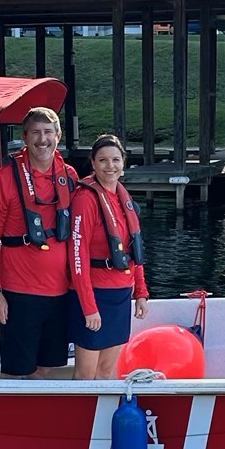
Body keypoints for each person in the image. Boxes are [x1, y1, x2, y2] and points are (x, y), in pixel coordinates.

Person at [0, 107, 79, 378]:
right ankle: (9, 419)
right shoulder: (4, 179)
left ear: (58, 135)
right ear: (24, 137)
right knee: (15, 372)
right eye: (35, 132)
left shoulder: (69, 175)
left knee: (48, 367)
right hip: (19, 293)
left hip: (60, 293)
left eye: (48, 132)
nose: (42, 139)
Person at [68, 134, 149, 379]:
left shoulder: (123, 199)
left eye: (115, 160)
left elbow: (133, 250)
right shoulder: (85, 199)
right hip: (94, 295)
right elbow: (77, 258)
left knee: (107, 371)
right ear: (93, 163)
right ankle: (78, 418)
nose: (110, 166)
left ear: (123, 163)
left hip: (120, 295)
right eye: (102, 160)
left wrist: (141, 292)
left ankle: (104, 417)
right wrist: (89, 308)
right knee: (86, 373)